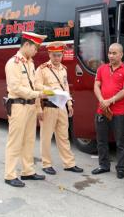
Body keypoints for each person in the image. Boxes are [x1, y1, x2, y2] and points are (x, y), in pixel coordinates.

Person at [4, 31, 48, 187]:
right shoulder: (13, 63)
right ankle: (10, 175)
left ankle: (27, 171)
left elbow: (34, 84)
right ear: (27, 45)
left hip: (30, 106)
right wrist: (38, 93)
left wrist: (48, 91)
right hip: (18, 106)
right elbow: (15, 88)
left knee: (29, 141)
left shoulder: (30, 63)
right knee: (15, 141)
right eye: (35, 48)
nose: (36, 52)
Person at [35, 41, 83, 175]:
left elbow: (66, 87)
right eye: (54, 55)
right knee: (46, 137)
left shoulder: (63, 69)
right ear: (49, 54)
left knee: (63, 136)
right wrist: (49, 95)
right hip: (48, 107)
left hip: (61, 107)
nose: (57, 58)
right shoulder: (42, 69)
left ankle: (69, 163)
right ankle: (46, 164)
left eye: (59, 55)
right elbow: (37, 87)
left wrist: (69, 104)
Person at [91, 43, 124, 179]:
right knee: (101, 140)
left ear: (121, 54)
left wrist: (111, 100)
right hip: (101, 110)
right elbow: (96, 86)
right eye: (109, 53)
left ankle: (120, 168)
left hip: (119, 112)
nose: (111, 56)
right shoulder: (101, 68)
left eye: (114, 53)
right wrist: (102, 100)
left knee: (120, 142)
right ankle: (103, 165)